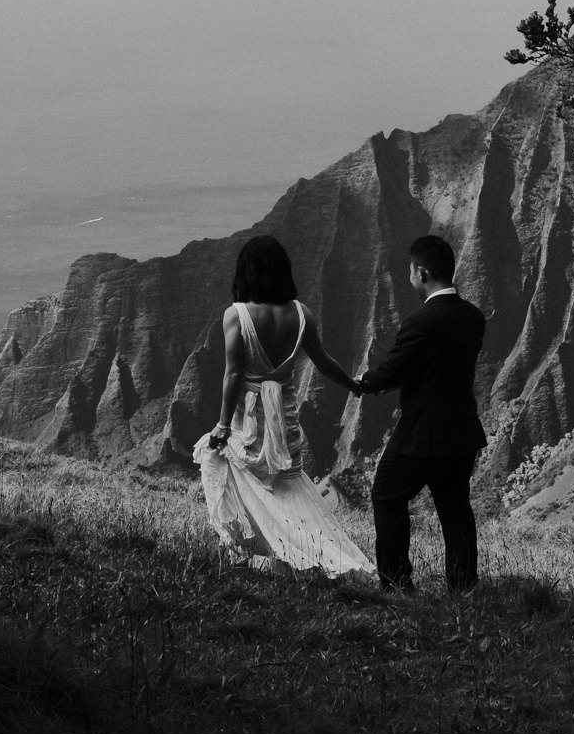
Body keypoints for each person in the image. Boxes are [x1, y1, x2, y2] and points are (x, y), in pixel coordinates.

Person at [193, 235, 373, 576]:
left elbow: (232, 375)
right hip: (283, 416)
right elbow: (322, 361)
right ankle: (305, 550)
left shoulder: (237, 315)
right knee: (285, 485)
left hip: (247, 418)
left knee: (228, 464)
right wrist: (352, 384)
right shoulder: (300, 313)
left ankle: (269, 549)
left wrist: (221, 425)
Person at [354, 234, 487, 593]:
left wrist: (366, 382)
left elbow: (393, 371)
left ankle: (397, 584)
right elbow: (435, 365)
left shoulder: (420, 323)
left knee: (386, 494)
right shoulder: (473, 317)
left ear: (423, 272)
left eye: (411, 271)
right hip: (462, 430)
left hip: (423, 432)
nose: (410, 277)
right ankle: (463, 589)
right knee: (455, 508)